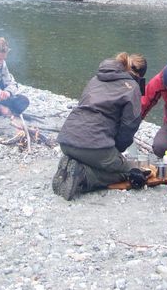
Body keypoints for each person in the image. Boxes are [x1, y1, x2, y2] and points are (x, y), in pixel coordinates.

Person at [52, 52, 149, 201]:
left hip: (66, 141)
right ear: (140, 77)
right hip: (93, 146)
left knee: (102, 160)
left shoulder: (95, 79)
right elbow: (130, 125)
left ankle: (73, 162)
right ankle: (83, 175)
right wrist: (117, 151)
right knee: (129, 171)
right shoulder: (132, 86)